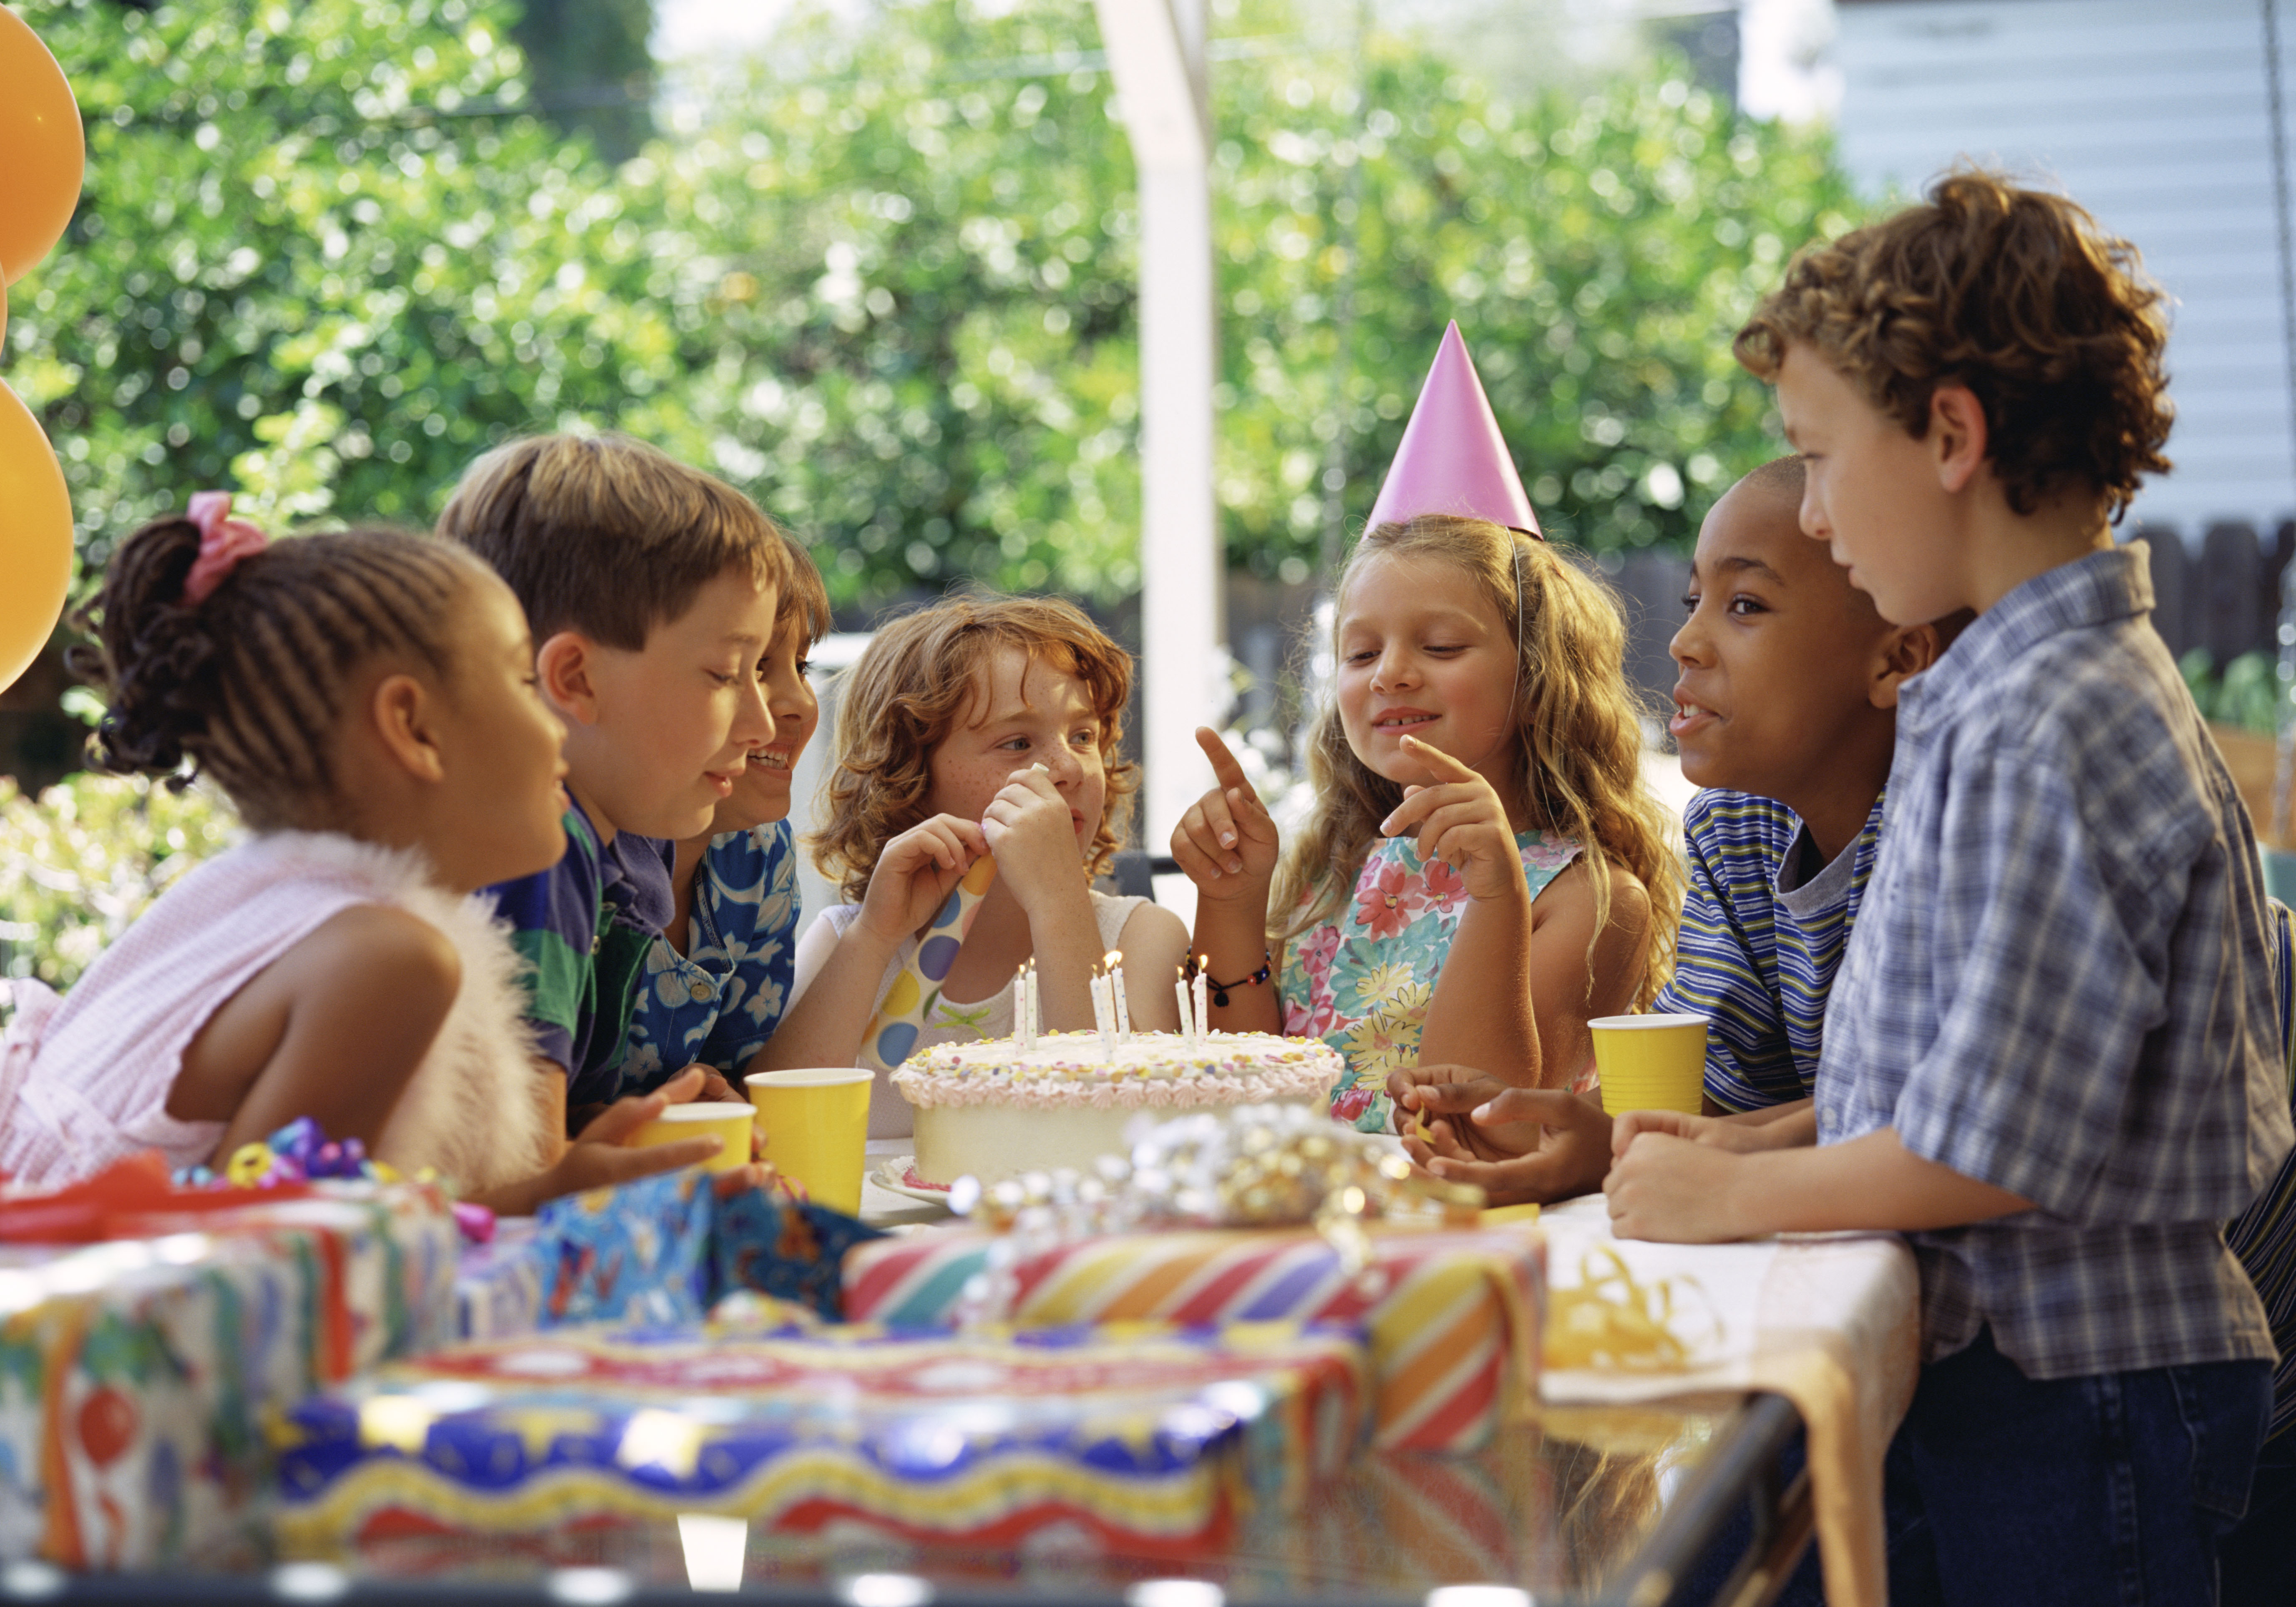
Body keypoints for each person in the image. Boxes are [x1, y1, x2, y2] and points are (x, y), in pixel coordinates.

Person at [1606, 170, 2293, 1604]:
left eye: (1819, 456)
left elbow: (1994, 1152)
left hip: (2082, 1394)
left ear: (1950, 437)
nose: (1815, 508)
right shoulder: (2005, 695)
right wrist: (1745, 1147)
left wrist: (1729, 1203)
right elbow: (1964, 1082)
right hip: (2018, 1370)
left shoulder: (2052, 721)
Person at [0, 499, 724, 1207]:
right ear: (412, 727)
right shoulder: (391, 960)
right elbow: (270, 1269)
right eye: (524, 683)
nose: (558, 731)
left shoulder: (241, 896)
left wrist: (550, 1193)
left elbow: (330, 1233)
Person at [1390, 455, 1952, 1199]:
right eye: (1694, 600)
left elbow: (1924, 1117)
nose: (1686, 641)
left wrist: (1620, 1143)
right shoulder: (1737, 825)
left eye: (1745, 605)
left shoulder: (1948, 827)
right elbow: (1721, 1085)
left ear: (1897, 660)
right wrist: (1569, 1127)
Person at [1171, 325, 1678, 1132]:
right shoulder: (1325, 873)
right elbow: (1244, 1099)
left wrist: (1494, 894)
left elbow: (1478, 1116)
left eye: (1439, 647)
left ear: (1539, 675)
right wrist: (1231, 903)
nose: (1390, 674)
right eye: (1360, 651)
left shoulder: (1592, 899)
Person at [436, 433, 788, 1131]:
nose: (762, 724)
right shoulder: (539, 847)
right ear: (575, 679)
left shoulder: (628, 834)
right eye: (725, 674)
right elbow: (519, 1172)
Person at [771, 594, 1190, 1138]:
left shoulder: (1139, 937)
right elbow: (777, 1125)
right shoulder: (848, 942)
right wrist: (875, 937)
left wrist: (1056, 898)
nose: (1067, 767)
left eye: (1083, 736)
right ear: (909, 778)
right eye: (1017, 743)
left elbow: (1122, 1121)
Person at [617, 528, 829, 1098]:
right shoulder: (568, 857)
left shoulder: (758, 854)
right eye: (753, 668)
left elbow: (744, 1080)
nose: (797, 705)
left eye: (802, 667)